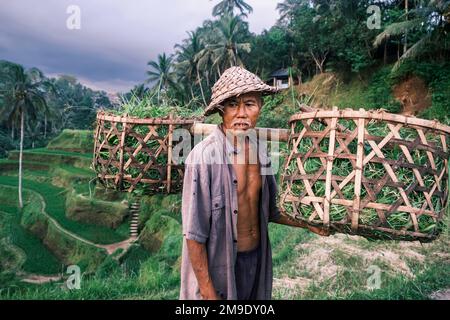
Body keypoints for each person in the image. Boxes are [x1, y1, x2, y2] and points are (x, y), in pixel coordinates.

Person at [179, 66, 329, 300]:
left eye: (249, 104)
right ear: (221, 111)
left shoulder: (261, 152)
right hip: (219, 269)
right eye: (232, 105)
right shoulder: (202, 159)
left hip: (255, 262)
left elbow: (271, 211)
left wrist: (309, 224)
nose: (241, 113)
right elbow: (193, 234)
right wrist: (208, 293)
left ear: (260, 106)